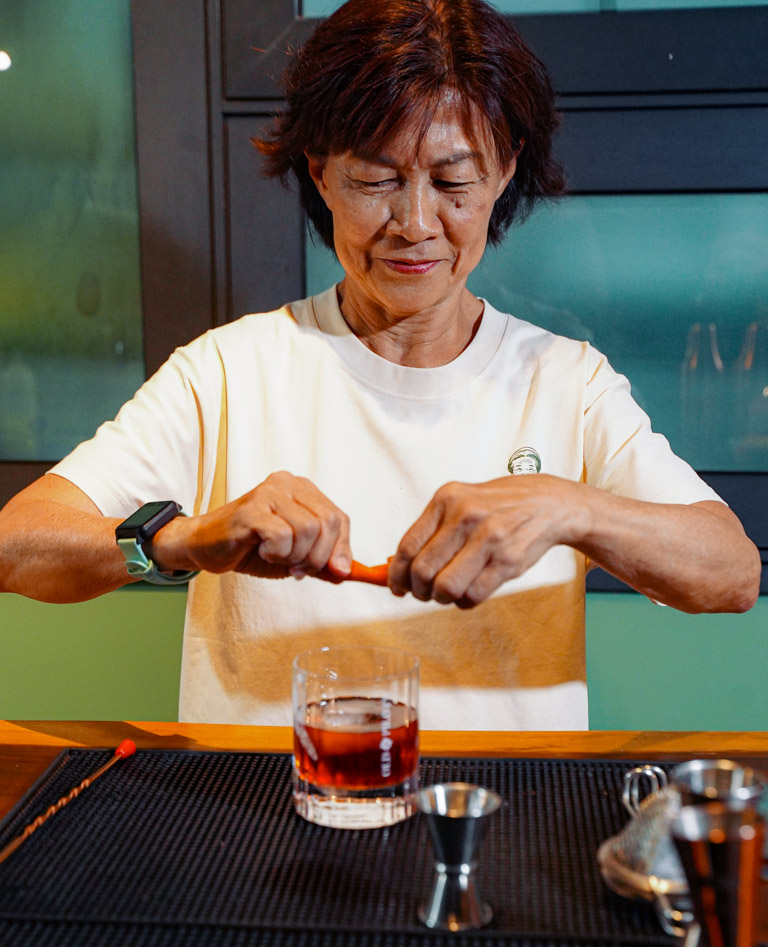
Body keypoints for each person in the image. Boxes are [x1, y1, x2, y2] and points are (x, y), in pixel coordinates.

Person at [0, 0, 759, 730]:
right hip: (256, 815)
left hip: (502, 817)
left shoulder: (567, 383)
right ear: (321, 172)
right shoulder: (228, 372)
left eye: (454, 182)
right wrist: (183, 538)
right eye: (377, 179)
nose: (417, 224)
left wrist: (568, 508)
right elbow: (19, 542)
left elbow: (731, 574)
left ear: (502, 175)